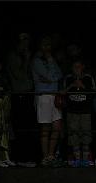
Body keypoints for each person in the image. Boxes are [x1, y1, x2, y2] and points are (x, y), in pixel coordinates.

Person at [6, 32, 38, 167]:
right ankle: (20, 158)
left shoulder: (28, 56)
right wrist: (26, 59)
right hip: (18, 95)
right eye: (23, 39)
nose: (25, 42)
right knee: (20, 128)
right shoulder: (13, 56)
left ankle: (27, 157)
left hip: (28, 95)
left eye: (27, 39)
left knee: (28, 127)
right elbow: (19, 76)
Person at [32, 35, 63, 167]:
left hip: (55, 96)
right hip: (44, 96)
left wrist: (51, 76)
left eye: (49, 45)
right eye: (44, 45)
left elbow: (59, 75)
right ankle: (45, 157)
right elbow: (50, 76)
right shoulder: (36, 61)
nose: (47, 48)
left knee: (56, 127)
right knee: (45, 128)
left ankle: (51, 155)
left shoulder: (52, 60)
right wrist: (51, 76)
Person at [64, 59, 96, 167]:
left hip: (85, 111)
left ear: (83, 67)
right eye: (75, 66)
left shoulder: (88, 78)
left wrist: (83, 86)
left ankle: (85, 159)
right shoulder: (68, 78)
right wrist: (72, 85)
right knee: (73, 135)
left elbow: (94, 92)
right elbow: (62, 92)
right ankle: (77, 159)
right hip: (72, 112)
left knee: (86, 134)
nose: (77, 68)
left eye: (79, 66)